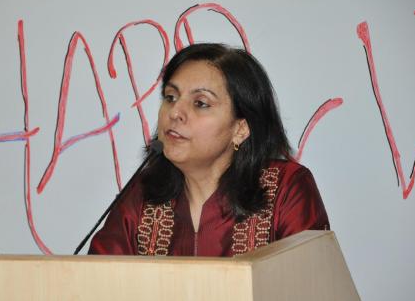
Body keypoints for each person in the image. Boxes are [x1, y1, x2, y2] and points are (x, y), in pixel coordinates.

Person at [89, 43, 329, 256]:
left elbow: (308, 285)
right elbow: (96, 284)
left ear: (240, 129)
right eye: (171, 97)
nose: (174, 113)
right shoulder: (142, 195)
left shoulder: (285, 188)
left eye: (200, 103)